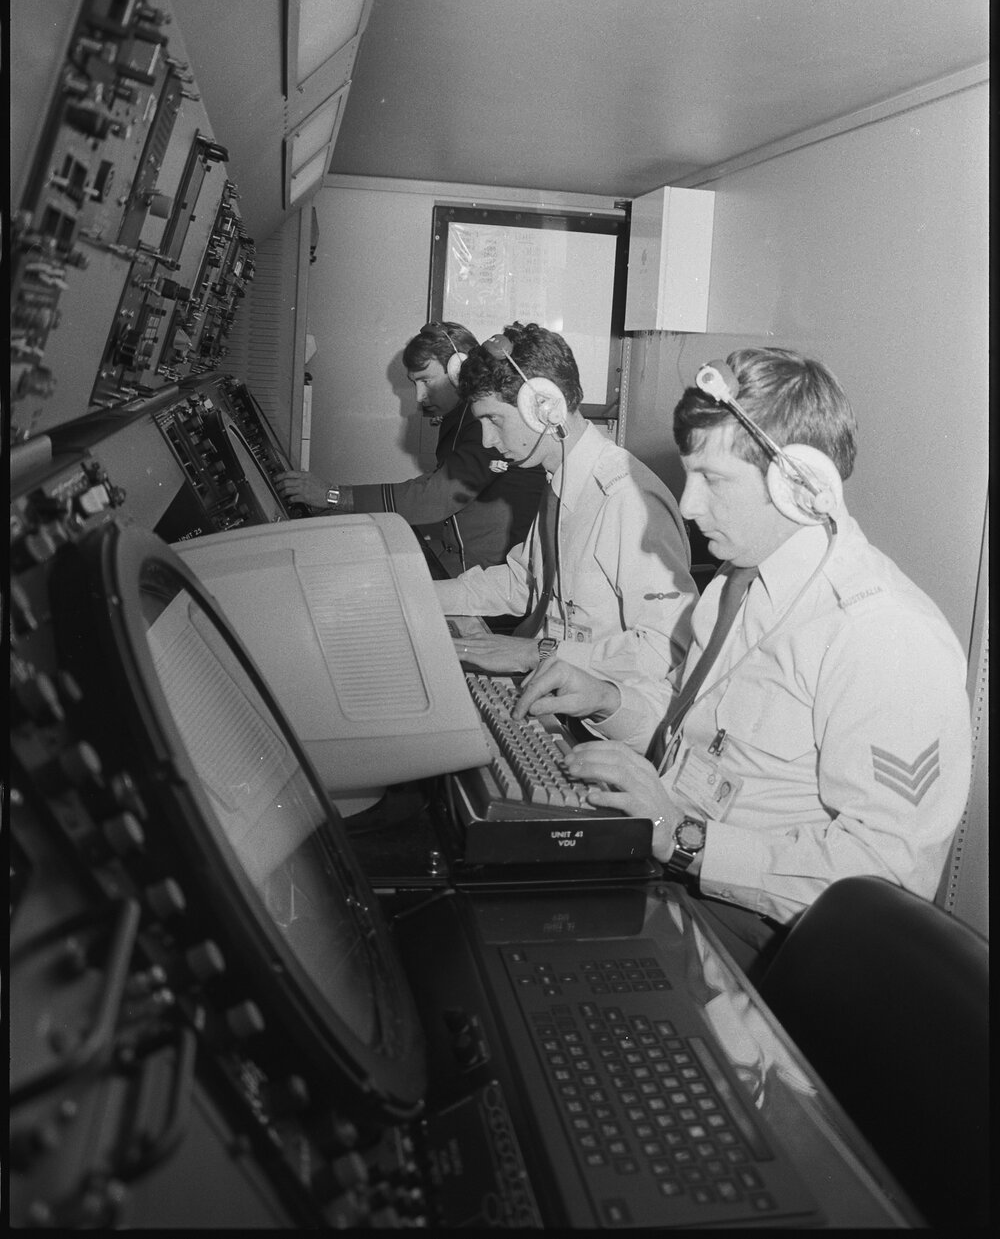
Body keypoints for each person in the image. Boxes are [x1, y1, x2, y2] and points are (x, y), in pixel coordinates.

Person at [513, 347, 972, 980]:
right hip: (682, 886)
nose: (689, 506)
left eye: (713, 480)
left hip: (774, 949)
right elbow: (693, 744)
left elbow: (884, 881)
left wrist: (682, 835)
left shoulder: (883, 636)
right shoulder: (741, 582)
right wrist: (608, 701)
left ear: (800, 482)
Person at [436, 322, 698, 710]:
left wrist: (532, 653)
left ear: (545, 407)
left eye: (494, 420)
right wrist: (420, 595)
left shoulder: (626, 499)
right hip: (553, 686)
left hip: (601, 713)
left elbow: (666, 649)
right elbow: (525, 583)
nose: (488, 440)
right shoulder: (562, 478)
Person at [275, 322, 545, 578]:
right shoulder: (462, 420)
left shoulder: (486, 426)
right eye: (414, 383)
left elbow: (434, 497)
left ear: (459, 371)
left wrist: (332, 496)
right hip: (467, 564)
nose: (419, 397)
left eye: (426, 381)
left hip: (493, 584)